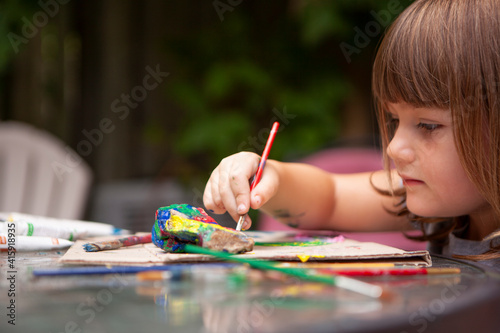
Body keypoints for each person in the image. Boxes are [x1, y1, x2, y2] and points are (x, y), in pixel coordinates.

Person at [203, 0, 500, 269]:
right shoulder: (439, 198)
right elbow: (330, 199)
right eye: (395, 120)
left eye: (428, 125)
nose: (394, 148)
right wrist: (272, 178)